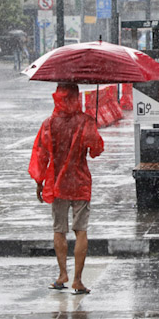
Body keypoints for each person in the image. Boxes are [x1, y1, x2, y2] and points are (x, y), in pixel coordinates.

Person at [29, 82, 104, 294]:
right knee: (81, 230)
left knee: (58, 230)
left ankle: (62, 274)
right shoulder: (85, 122)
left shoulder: (49, 124)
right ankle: (78, 280)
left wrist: (39, 182)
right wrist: (92, 127)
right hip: (80, 183)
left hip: (58, 184)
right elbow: (96, 150)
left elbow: (40, 154)